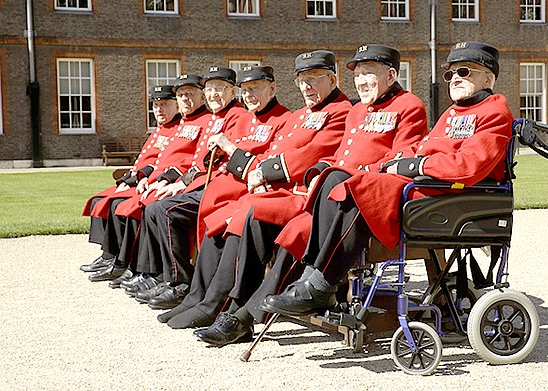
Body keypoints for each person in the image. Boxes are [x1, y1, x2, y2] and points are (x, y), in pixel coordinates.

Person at [192, 44, 429, 346]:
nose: (362, 81)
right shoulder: (359, 109)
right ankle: (234, 306)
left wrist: (343, 173)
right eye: (358, 74)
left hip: (364, 201)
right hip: (330, 194)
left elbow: (400, 159)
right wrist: (321, 169)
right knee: (257, 216)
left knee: (296, 231)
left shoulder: (409, 105)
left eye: (369, 73)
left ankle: (244, 318)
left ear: (391, 74)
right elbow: (339, 156)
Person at [260, 41, 513, 323]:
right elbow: (421, 148)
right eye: (449, 74)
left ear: (488, 78)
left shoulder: (494, 111)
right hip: (427, 188)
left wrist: (416, 166)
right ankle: (312, 280)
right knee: (335, 177)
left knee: (360, 187)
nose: (454, 79)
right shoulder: (454, 112)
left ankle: (320, 286)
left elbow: (468, 167)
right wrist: (394, 163)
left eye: (463, 72)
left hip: (449, 194)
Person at [159, 50, 353, 329]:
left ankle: (225, 306)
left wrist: (263, 173)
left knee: (246, 211)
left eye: (314, 79)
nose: (306, 87)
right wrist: (260, 173)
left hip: (300, 193)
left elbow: (311, 154)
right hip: (275, 188)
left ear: (333, 79)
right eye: (302, 80)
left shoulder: (340, 111)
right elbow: (276, 151)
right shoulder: (301, 114)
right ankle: (201, 298)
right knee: (219, 218)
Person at [129, 66, 249, 308]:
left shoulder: (237, 116)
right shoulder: (218, 117)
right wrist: (180, 183)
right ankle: (166, 277)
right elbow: (197, 163)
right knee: (155, 208)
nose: (213, 94)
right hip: (200, 182)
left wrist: (182, 183)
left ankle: (180, 282)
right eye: (210, 89)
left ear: (232, 91)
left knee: (163, 211)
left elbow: (221, 165)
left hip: (220, 188)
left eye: (220, 89)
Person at [88, 74, 211, 283]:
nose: (184, 99)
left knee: (134, 206)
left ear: (202, 97)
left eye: (189, 94)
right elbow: (158, 158)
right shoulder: (184, 123)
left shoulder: (204, 121)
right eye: (181, 95)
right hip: (158, 179)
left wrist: (163, 179)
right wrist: (141, 176)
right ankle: (117, 259)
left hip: (178, 183)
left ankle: (135, 266)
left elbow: (191, 162)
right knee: (107, 201)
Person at [80, 85, 181, 273]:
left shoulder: (177, 129)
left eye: (164, 104)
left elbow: (162, 163)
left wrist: (138, 178)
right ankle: (108, 254)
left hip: (152, 181)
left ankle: (119, 259)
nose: (159, 109)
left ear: (176, 105)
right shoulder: (160, 129)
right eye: (156, 105)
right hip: (141, 179)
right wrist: (129, 177)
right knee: (98, 200)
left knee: (118, 204)